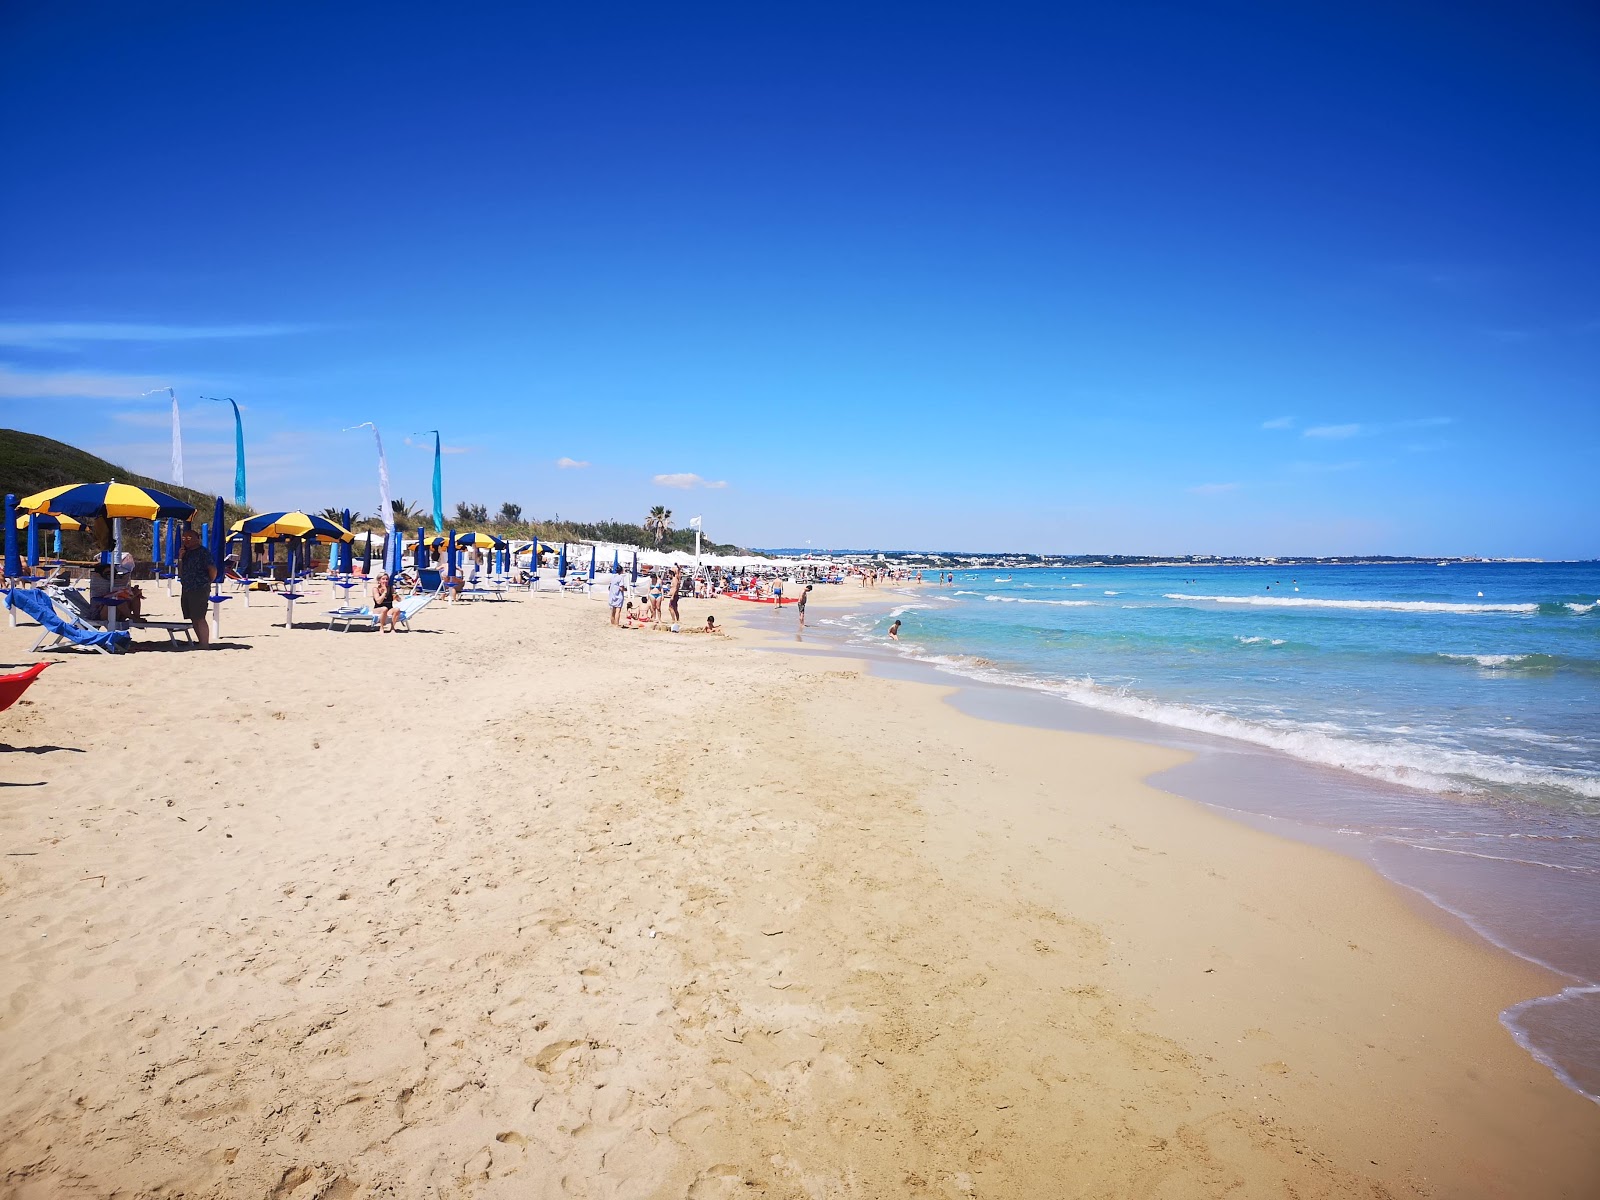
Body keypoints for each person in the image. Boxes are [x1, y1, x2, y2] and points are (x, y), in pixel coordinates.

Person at [177, 526, 216, 647]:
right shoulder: (186, 553)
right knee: (193, 617)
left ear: (197, 539)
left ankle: (205, 644)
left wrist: (207, 581)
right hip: (187, 587)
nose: (186, 540)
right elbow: (180, 572)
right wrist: (180, 558)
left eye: (189, 537)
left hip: (199, 587)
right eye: (184, 538)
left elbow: (212, 569)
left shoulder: (203, 552)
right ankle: (201, 642)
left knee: (200, 616)